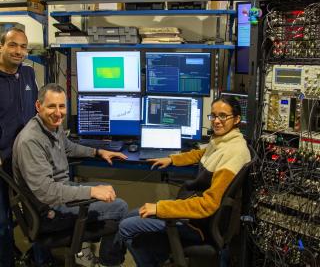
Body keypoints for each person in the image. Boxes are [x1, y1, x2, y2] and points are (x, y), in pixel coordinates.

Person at [119, 96, 251, 267]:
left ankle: (116, 260)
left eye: (223, 116)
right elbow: (202, 154)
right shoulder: (224, 141)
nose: (216, 121)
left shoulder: (233, 153)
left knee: (126, 227)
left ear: (237, 119)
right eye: (213, 116)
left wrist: (161, 208)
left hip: (199, 225)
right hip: (192, 211)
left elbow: (208, 204)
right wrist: (172, 159)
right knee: (130, 214)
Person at [12, 83, 128, 267]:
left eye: (61, 106)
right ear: (38, 106)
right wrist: (91, 192)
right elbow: (47, 192)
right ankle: (108, 263)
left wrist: (98, 152)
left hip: (60, 193)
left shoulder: (52, 125)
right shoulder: (31, 140)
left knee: (111, 193)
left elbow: (69, 147)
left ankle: (96, 256)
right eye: (51, 106)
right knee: (120, 207)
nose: (58, 113)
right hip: (48, 211)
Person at [0, 27, 38, 267]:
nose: (18, 51)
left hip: (27, 159)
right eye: (13, 45)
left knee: (38, 212)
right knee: (2, 221)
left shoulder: (27, 75)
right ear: (1, 47)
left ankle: (40, 259)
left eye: (23, 47)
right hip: (2, 161)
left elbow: (35, 113)